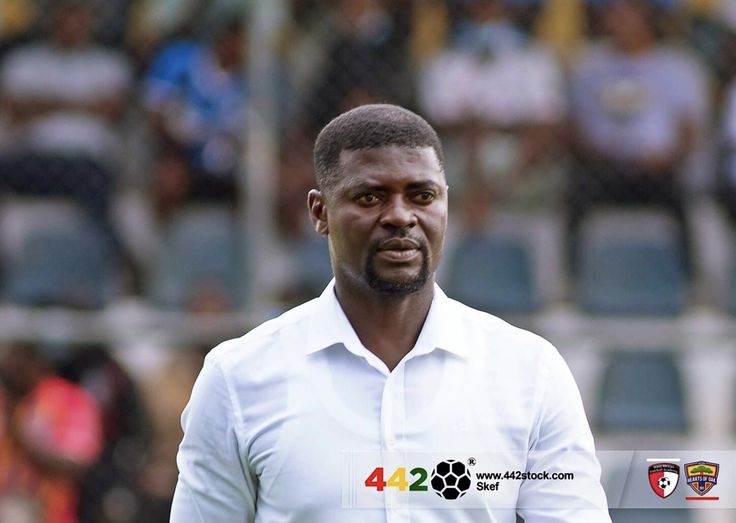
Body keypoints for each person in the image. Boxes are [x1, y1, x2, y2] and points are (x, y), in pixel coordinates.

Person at [170, 104, 611, 522]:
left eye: (422, 196)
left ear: (446, 205)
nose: (401, 216)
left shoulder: (530, 373)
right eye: (370, 197)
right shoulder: (238, 378)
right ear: (320, 212)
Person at [0, 341, 104, 523]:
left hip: (53, 513)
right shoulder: (5, 399)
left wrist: (26, 441)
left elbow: (78, 461)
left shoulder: (67, 398)